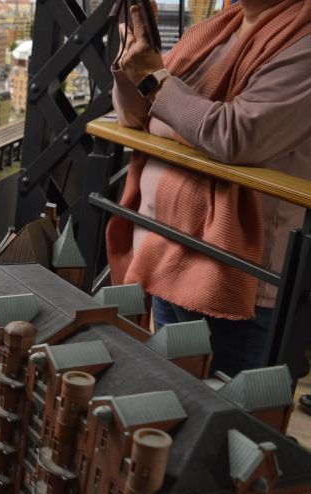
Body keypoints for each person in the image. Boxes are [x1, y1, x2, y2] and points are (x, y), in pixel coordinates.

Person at [109, 0, 311, 377]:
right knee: (172, 389)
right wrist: (133, 65)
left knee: (223, 404)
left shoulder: (304, 44)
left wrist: (156, 84)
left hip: (235, 275)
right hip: (167, 246)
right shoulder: (218, 30)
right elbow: (137, 116)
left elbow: (233, 135)